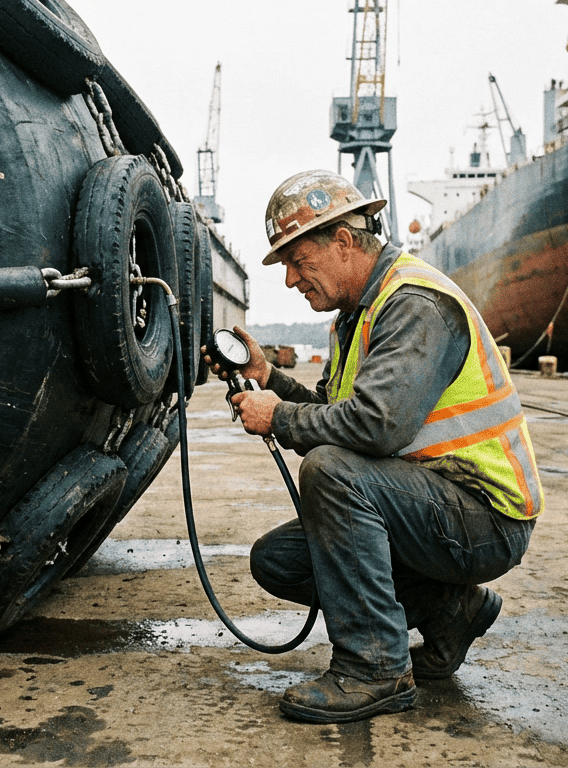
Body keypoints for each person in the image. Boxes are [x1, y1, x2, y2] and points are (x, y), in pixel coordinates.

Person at [205, 170, 544, 724]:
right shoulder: (357, 314)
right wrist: (269, 380)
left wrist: (278, 416)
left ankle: (374, 668)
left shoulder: (414, 304)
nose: (290, 279)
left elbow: (375, 428)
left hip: (485, 517)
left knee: (330, 471)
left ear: (343, 240)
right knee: (279, 561)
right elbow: (335, 414)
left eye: (298, 261)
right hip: (427, 505)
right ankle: (451, 610)